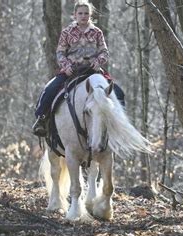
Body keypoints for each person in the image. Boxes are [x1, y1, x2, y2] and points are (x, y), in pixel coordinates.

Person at [33, 1, 124, 137]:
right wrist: (66, 66)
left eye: (86, 13)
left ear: (90, 15)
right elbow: (60, 52)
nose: (83, 16)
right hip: (72, 71)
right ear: (75, 15)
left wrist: (99, 62)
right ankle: (41, 119)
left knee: (118, 92)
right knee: (50, 89)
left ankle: (119, 124)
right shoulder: (67, 32)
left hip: (92, 71)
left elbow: (104, 51)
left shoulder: (97, 32)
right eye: (80, 13)